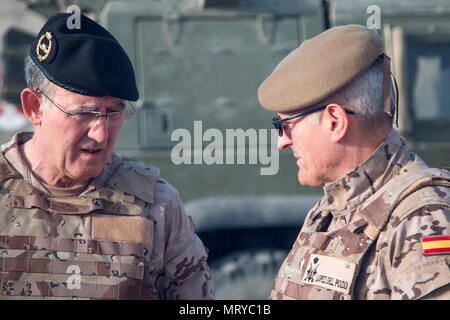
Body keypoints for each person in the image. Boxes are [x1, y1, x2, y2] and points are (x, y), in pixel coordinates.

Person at [0, 12, 214, 300]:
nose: (101, 135)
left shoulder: (157, 205)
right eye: (84, 113)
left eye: (114, 112)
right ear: (35, 107)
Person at [257, 25, 449, 300]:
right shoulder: (330, 211)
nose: (282, 142)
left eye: (285, 125)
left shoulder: (423, 219)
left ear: (335, 122)